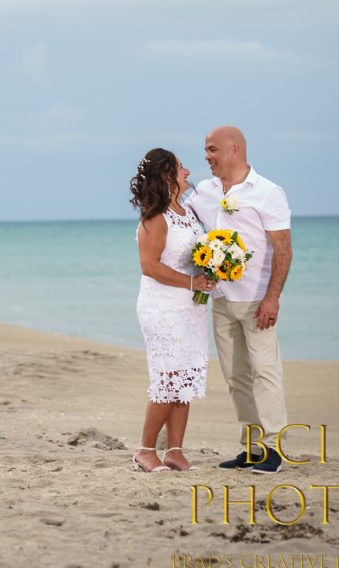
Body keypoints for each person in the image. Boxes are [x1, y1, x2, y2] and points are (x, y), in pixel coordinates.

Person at [187, 126, 292, 474]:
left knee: (265, 371)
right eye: (205, 150)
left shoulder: (267, 192)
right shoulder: (204, 191)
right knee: (235, 377)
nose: (206, 157)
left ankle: (273, 447)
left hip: (256, 302)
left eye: (212, 149)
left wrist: (272, 297)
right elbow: (180, 216)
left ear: (234, 150)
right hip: (219, 299)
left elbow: (283, 249)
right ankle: (251, 448)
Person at [129, 148, 214, 472]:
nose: (188, 172)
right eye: (181, 168)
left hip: (190, 307)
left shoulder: (187, 212)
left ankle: (175, 451)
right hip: (161, 306)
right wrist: (192, 284)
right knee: (168, 378)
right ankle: (145, 450)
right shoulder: (155, 217)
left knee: (186, 378)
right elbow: (149, 266)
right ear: (167, 176)